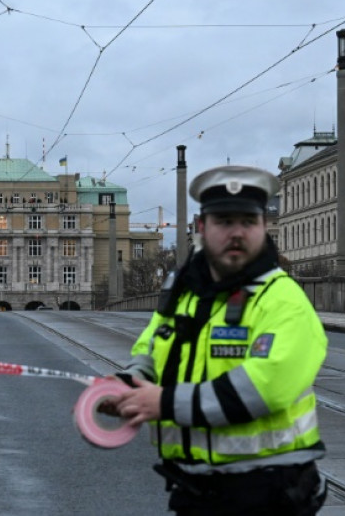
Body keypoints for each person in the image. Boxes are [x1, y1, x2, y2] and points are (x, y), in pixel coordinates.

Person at [102, 165, 328, 515]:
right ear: (202, 228)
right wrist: (127, 384)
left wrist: (164, 402)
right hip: (195, 489)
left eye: (248, 222)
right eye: (224, 221)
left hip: (269, 492)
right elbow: (151, 351)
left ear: (263, 228)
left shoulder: (282, 298)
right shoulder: (184, 292)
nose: (237, 232)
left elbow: (266, 387)